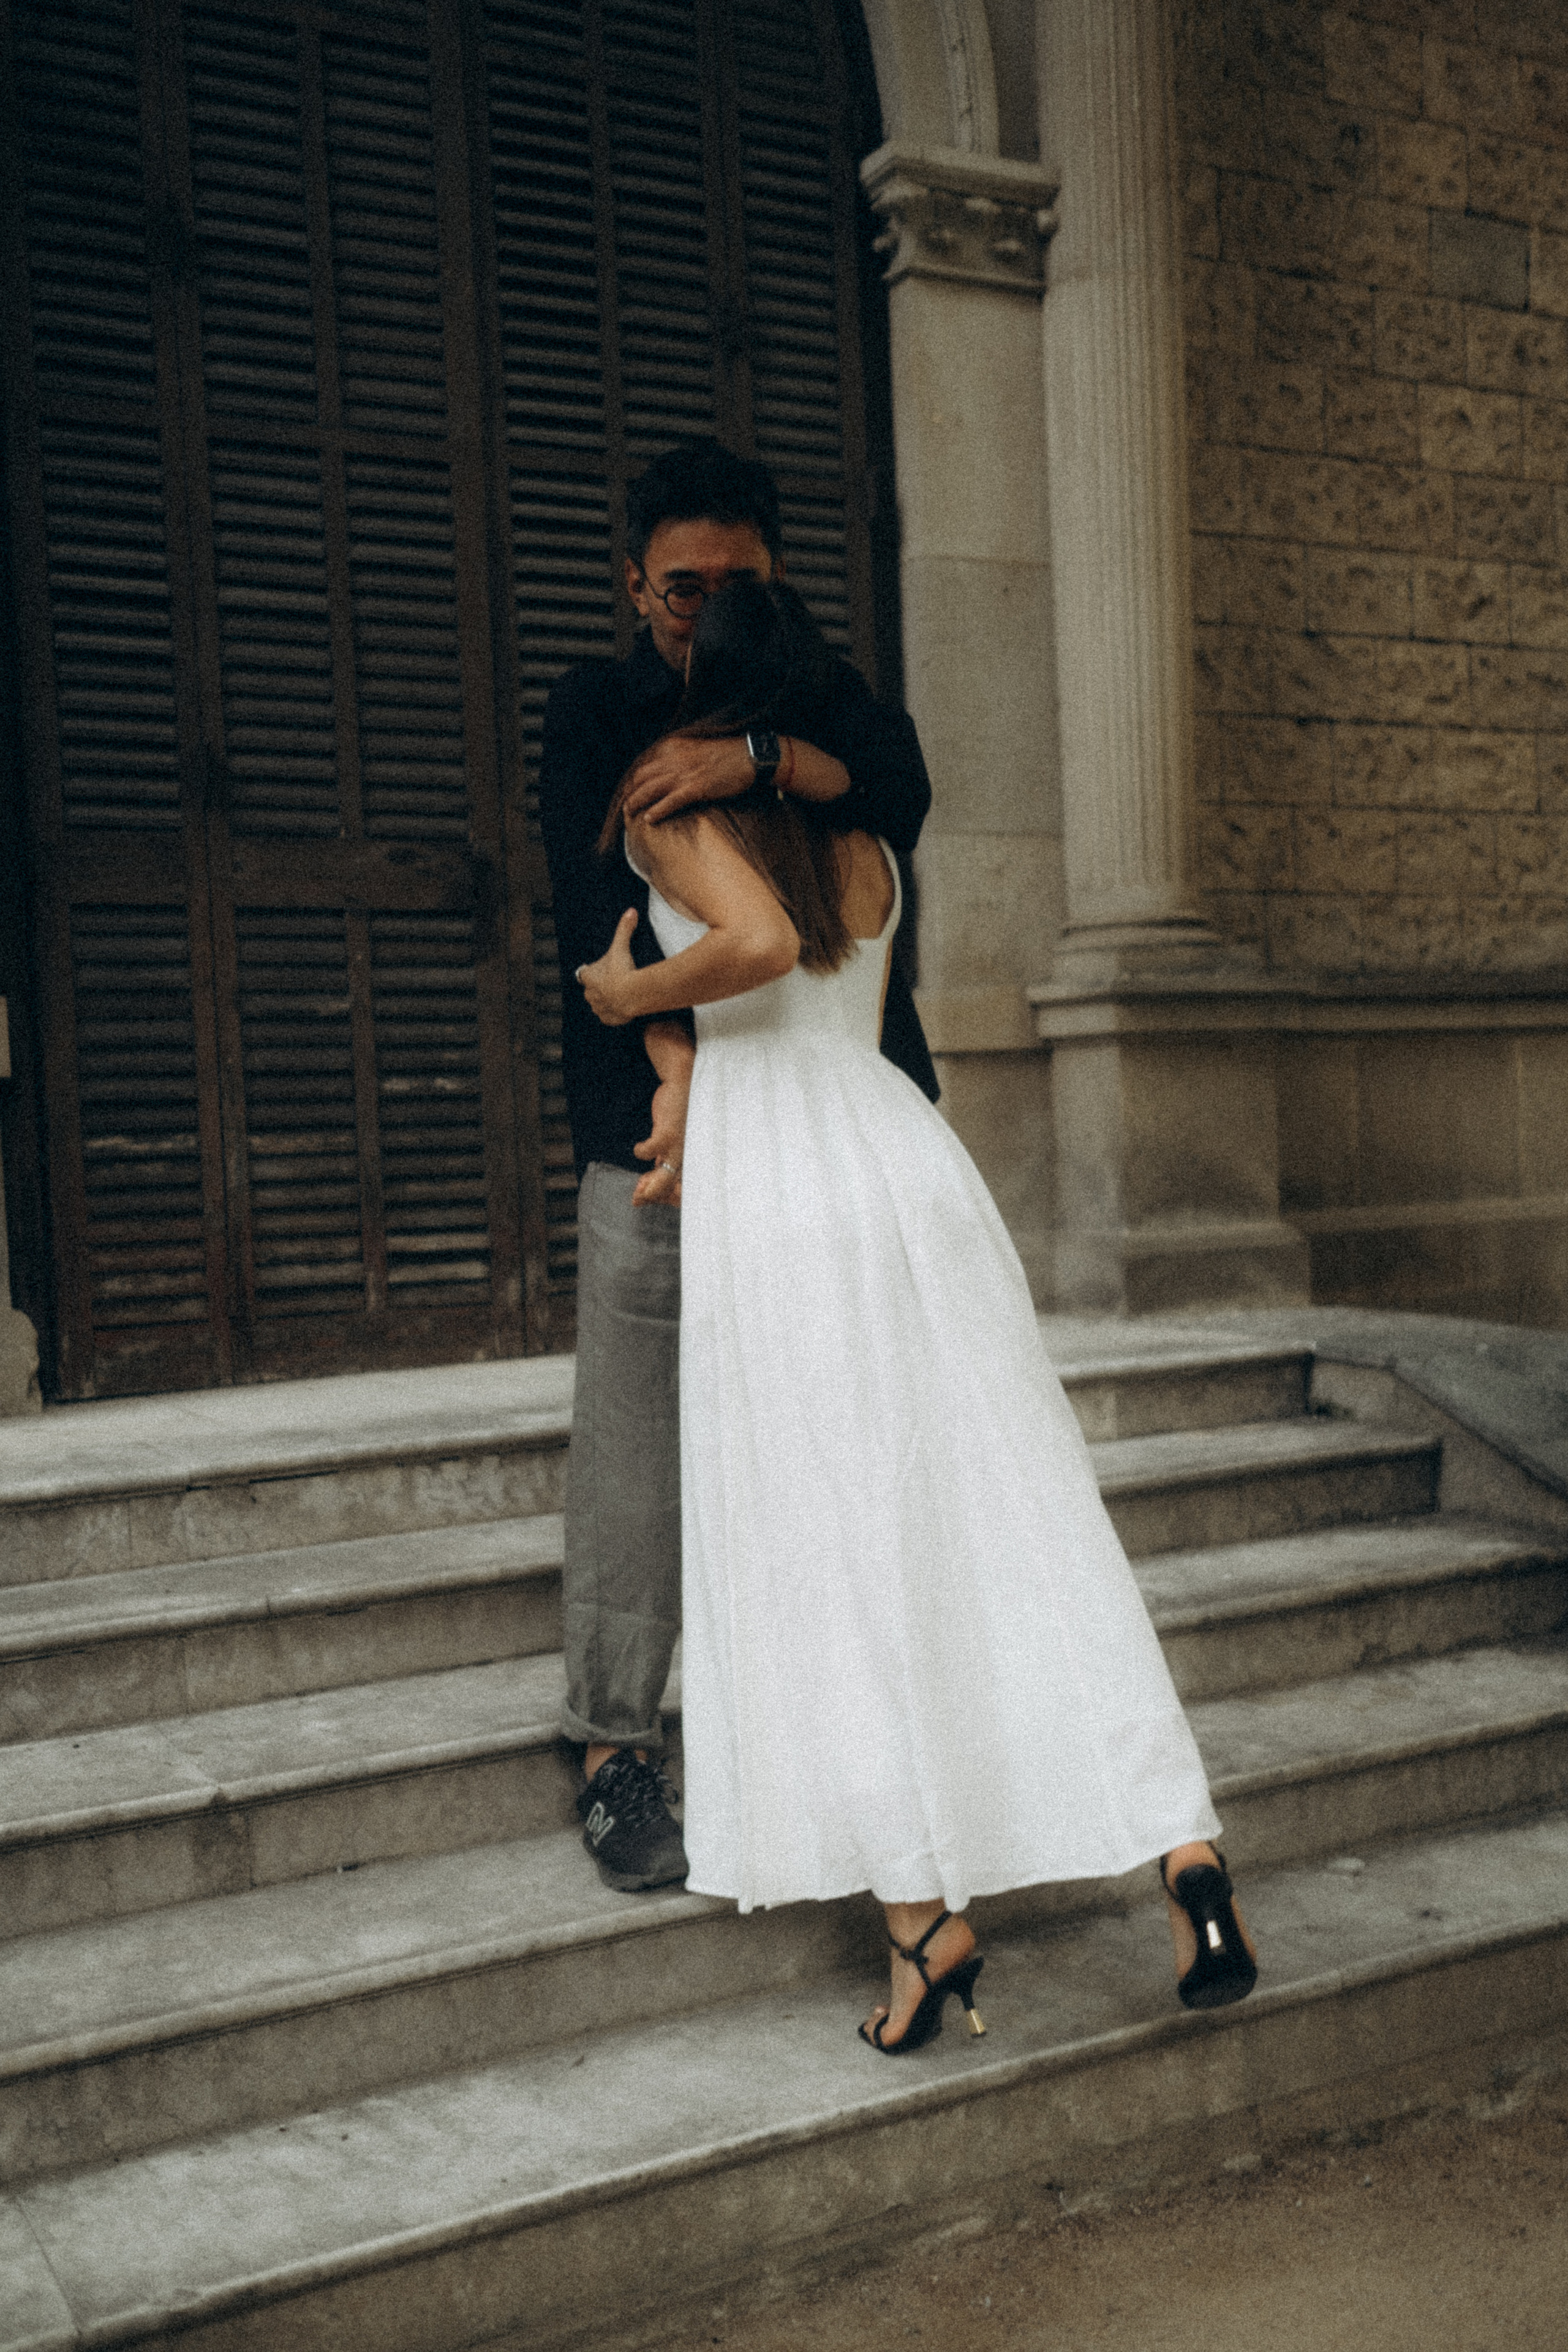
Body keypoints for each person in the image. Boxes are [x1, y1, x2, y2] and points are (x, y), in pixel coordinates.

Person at [579, 578, 1257, 2049]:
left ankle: (923, 1923)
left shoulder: (668, 816)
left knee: (818, 1532)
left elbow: (753, 948)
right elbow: (810, 956)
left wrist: (632, 1000)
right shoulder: (867, 840)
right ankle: (1186, 1854)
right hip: (904, 1161)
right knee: (1017, 1509)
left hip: (789, 1187)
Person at [538, 440, 937, 1893]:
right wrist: (681, 1076)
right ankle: (613, 1747)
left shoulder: (817, 698)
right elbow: (597, 917)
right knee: (639, 1435)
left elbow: (901, 789)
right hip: (661, 1137)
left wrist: (765, 757)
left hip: (835, 1127)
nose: (701, 613)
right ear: (634, 582)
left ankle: (850, 1727)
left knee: (837, 1433)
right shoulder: (595, 711)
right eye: (679, 586)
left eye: (734, 586)